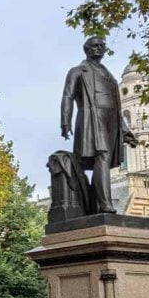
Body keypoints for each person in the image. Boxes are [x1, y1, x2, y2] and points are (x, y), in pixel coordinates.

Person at [60, 36, 138, 214]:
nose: (99, 48)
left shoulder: (109, 75)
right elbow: (67, 96)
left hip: (111, 120)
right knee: (101, 156)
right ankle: (105, 204)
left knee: (104, 161)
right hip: (91, 117)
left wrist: (124, 129)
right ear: (86, 49)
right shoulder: (78, 71)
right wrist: (65, 121)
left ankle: (97, 204)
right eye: (95, 46)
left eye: (102, 46)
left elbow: (117, 106)